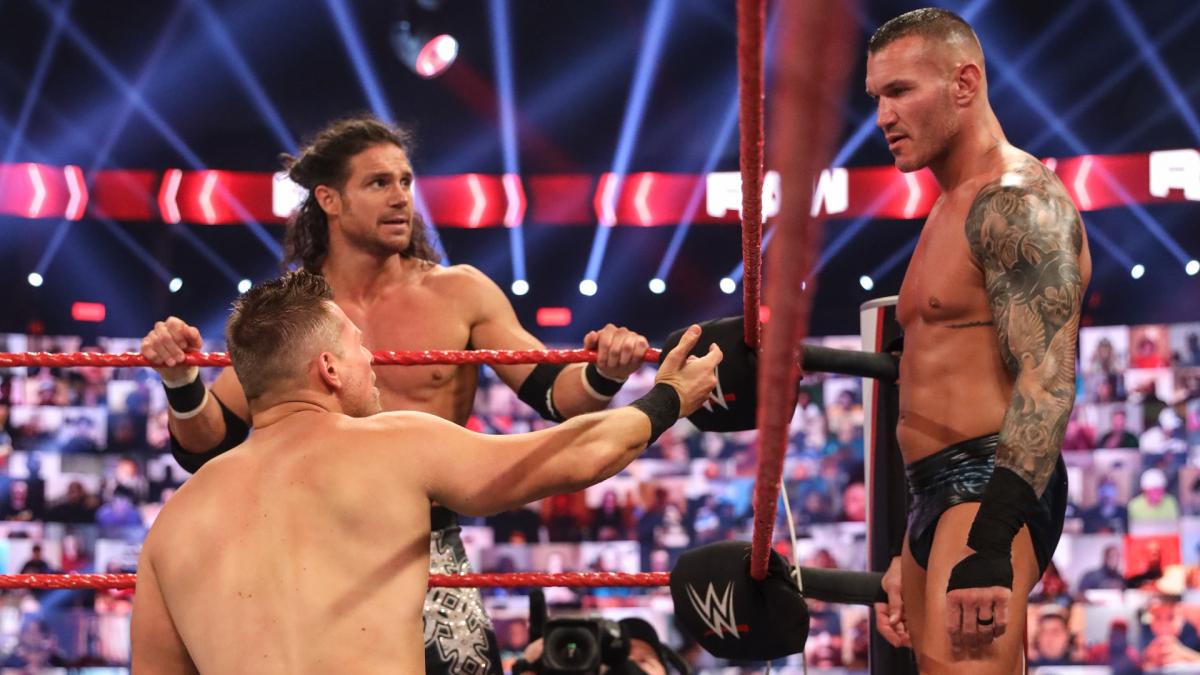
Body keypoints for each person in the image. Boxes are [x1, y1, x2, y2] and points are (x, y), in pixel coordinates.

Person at [139, 116, 654, 674]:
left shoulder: (458, 292)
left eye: (406, 181)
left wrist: (606, 372)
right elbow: (206, 444)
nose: (401, 197)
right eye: (378, 182)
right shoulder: (297, 316)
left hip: (427, 536)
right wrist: (181, 381)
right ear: (329, 200)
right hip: (314, 540)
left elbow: (556, 395)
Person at [130, 272, 721, 672]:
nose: (373, 359)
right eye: (359, 346)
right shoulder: (395, 444)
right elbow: (573, 456)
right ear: (330, 368)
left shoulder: (174, 523)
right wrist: (668, 398)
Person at [864, 9, 1091, 674]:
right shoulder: (947, 205)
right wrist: (914, 542)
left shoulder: (1017, 200)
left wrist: (989, 540)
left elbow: (1048, 379)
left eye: (900, 91)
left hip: (988, 484)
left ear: (964, 83)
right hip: (933, 495)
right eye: (876, 97)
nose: (882, 116)